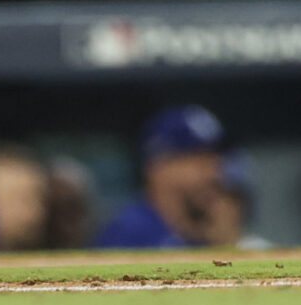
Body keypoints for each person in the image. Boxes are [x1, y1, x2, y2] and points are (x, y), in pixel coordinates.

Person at [94, 106, 247, 251]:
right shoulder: (126, 236)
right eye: (200, 161)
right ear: (158, 167)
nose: (213, 174)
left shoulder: (209, 232)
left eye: (216, 161)